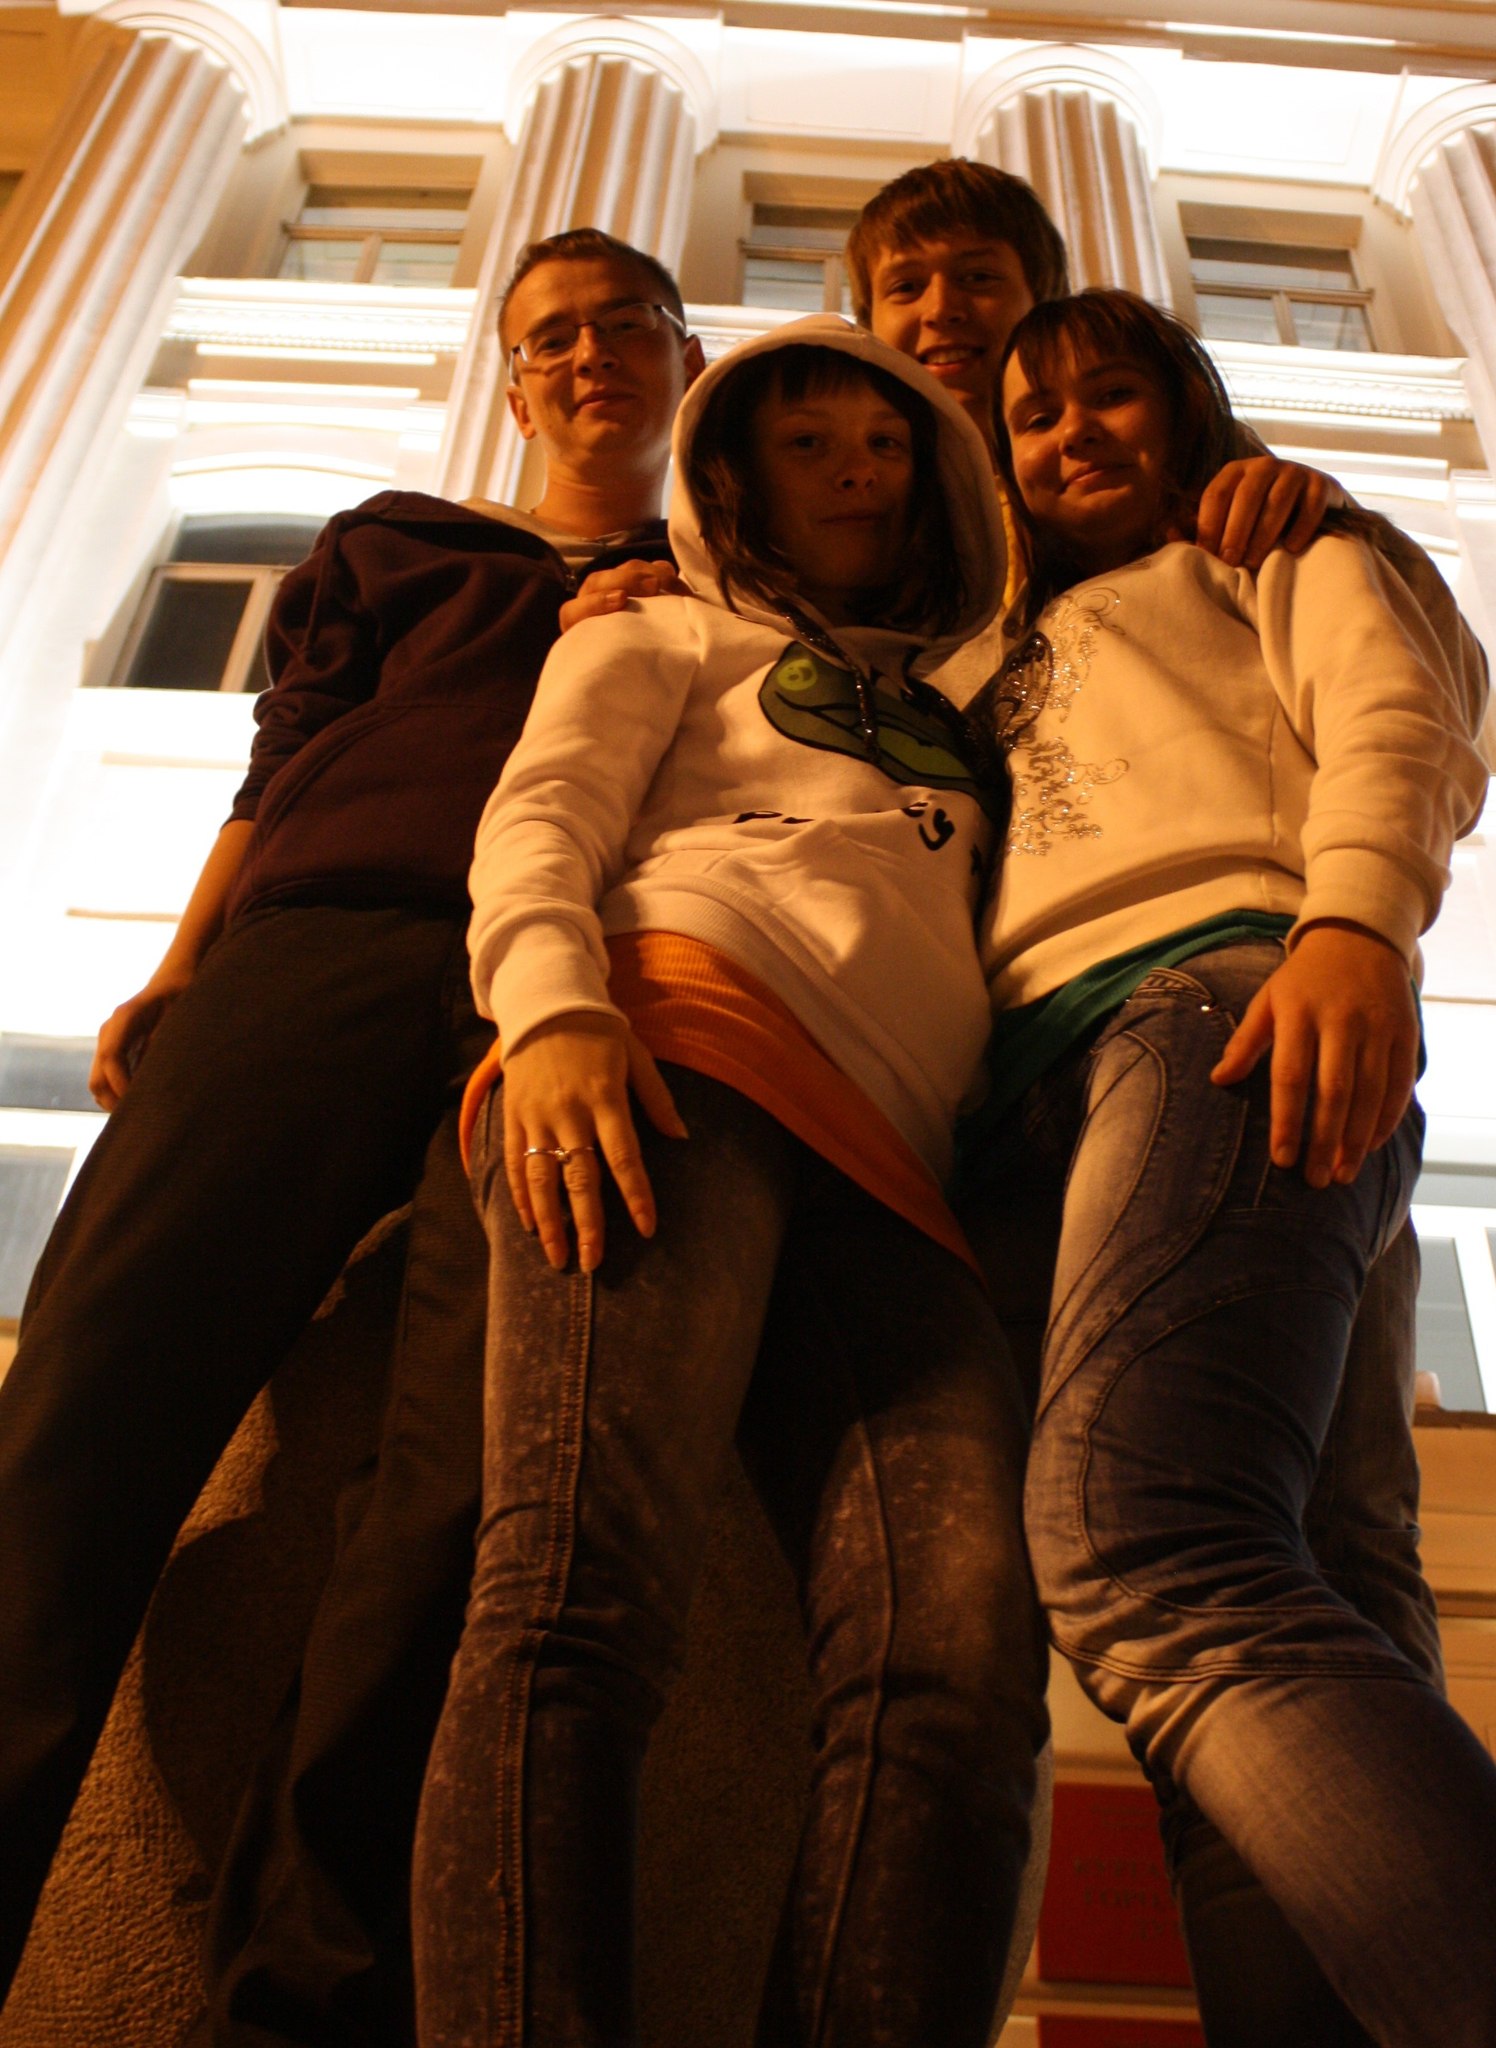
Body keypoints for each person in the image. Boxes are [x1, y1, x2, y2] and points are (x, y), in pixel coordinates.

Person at [0, 227, 703, 2037]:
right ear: (514, 382)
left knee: (456, 1493)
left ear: (686, 358)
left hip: (559, 1004)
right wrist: (184, 963)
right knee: (81, 1418)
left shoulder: (726, 588)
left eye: (624, 324)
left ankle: (295, 1998)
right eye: (550, 337)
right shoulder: (405, 542)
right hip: (331, 938)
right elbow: (286, 750)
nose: (588, 356)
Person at [412, 316, 1047, 2047]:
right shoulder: (662, 627)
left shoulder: (974, 699)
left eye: (888, 443)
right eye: (808, 442)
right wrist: (554, 1009)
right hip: (673, 1044)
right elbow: (543, 815)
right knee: (572, 1599)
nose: (858, 471)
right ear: (738, 476)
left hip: (899, 1163)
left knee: (962, 1664)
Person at [967, 286, 1496, 2048]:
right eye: (1035, 417)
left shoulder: (1265, 542)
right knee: (1318, 1586)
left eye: (1113, 395)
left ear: (1190, 409)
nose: (1073, 434)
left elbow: (1408, 707)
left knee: (1145, 1547)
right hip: (1072, 1081)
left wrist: (1354, 923)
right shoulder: (1006, 632)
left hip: (1220, 1004)